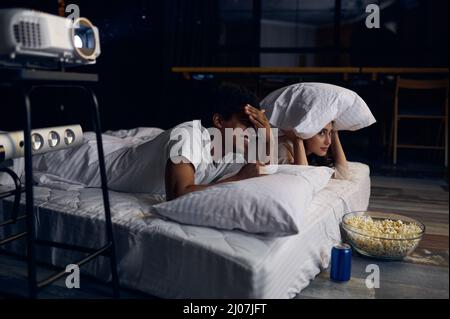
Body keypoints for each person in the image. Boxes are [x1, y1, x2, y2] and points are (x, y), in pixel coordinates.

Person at [32, 83, 274, 200]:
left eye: (256, 127)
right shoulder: (188, 135)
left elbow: (266, 167)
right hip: (91, 159)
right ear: (219, 121)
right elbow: (179, 194)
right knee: (25, 150)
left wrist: (267, 134)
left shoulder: (231, 149)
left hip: (115, 150)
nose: (252, 133)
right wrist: (238, 179)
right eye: (247, 124)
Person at [278, 122, 349, 179]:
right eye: (322, 133)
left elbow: (342, 174)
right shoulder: (282, 146)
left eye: (330, 133)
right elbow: (302, 181)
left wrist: (334, 132)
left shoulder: (314, 152)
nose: (329, 142)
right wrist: (297, 139)